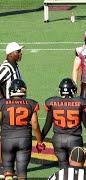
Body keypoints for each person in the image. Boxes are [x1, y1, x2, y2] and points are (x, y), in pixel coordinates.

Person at [41, 78, 86, 169]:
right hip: (74, 139)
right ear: (73, 90)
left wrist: (41, 139)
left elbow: (47, 124)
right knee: (76, 167)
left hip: (58, 139)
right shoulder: (80, 102)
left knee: (63, 166)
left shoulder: (53, 103)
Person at [0, 79, 45, 179]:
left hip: (7, 139)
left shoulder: (3, 103)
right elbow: (34, 124)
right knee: (22, 174)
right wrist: (39, 141)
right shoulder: (31, 103)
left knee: (8, 172)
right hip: (24, 140)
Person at [0, 42, 24, 177]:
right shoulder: (6, 67)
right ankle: (4, 167)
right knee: (5, 136)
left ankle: (9, 168)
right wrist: (3, 101)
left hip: (15, 108)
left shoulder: (14, 66)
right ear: (10, 54)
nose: (20, 54)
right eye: (18, 52)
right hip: (8, 108)